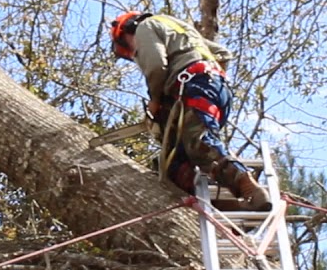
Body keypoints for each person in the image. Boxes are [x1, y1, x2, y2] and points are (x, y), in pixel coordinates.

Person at [110, 11, 271, 211]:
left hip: (195, 86)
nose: (133, 52)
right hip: (215, 89)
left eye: (128, 47)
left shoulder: (145, 27)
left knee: (200, 142)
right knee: (174, 166)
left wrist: (155, 101)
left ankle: (246, 184)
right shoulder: (180, 30)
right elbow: (223, 54)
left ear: (126, 30)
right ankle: (228, 206)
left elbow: (156, 66)